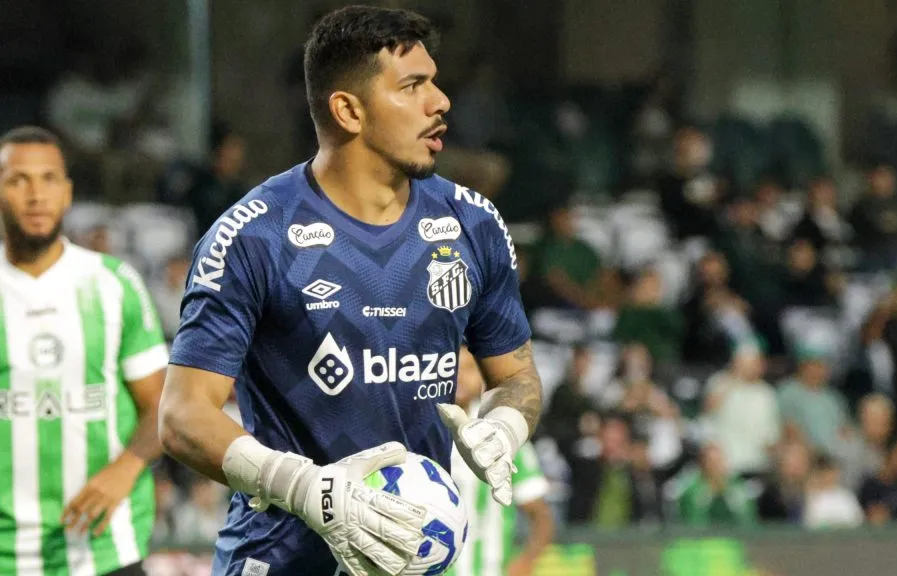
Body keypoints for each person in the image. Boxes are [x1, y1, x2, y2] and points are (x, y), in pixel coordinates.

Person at [157, 6, 543, 576]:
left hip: (409, 561)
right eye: (413, 86)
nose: (441, 102)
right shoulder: (254, 236)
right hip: (280, 562)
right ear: (348, 110)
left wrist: (506, 425)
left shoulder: (474, 225)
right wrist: (309, 489)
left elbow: (517, 377)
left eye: (434, 82)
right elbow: (183, 417)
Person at [0, 126, 168, 575]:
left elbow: (162, 407)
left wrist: (126, 467)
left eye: (49, 178)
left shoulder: (113, 285)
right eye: (18, 180)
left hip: (107, 547)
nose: (36, 194)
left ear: (68, 191)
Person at [451, 347, 554, 576]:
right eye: (452, 368)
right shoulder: (416, 431)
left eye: (469, 369)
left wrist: (526, 562)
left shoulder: (501, 432)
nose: (459, 376)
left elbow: (541, 515)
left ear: (482, 377)